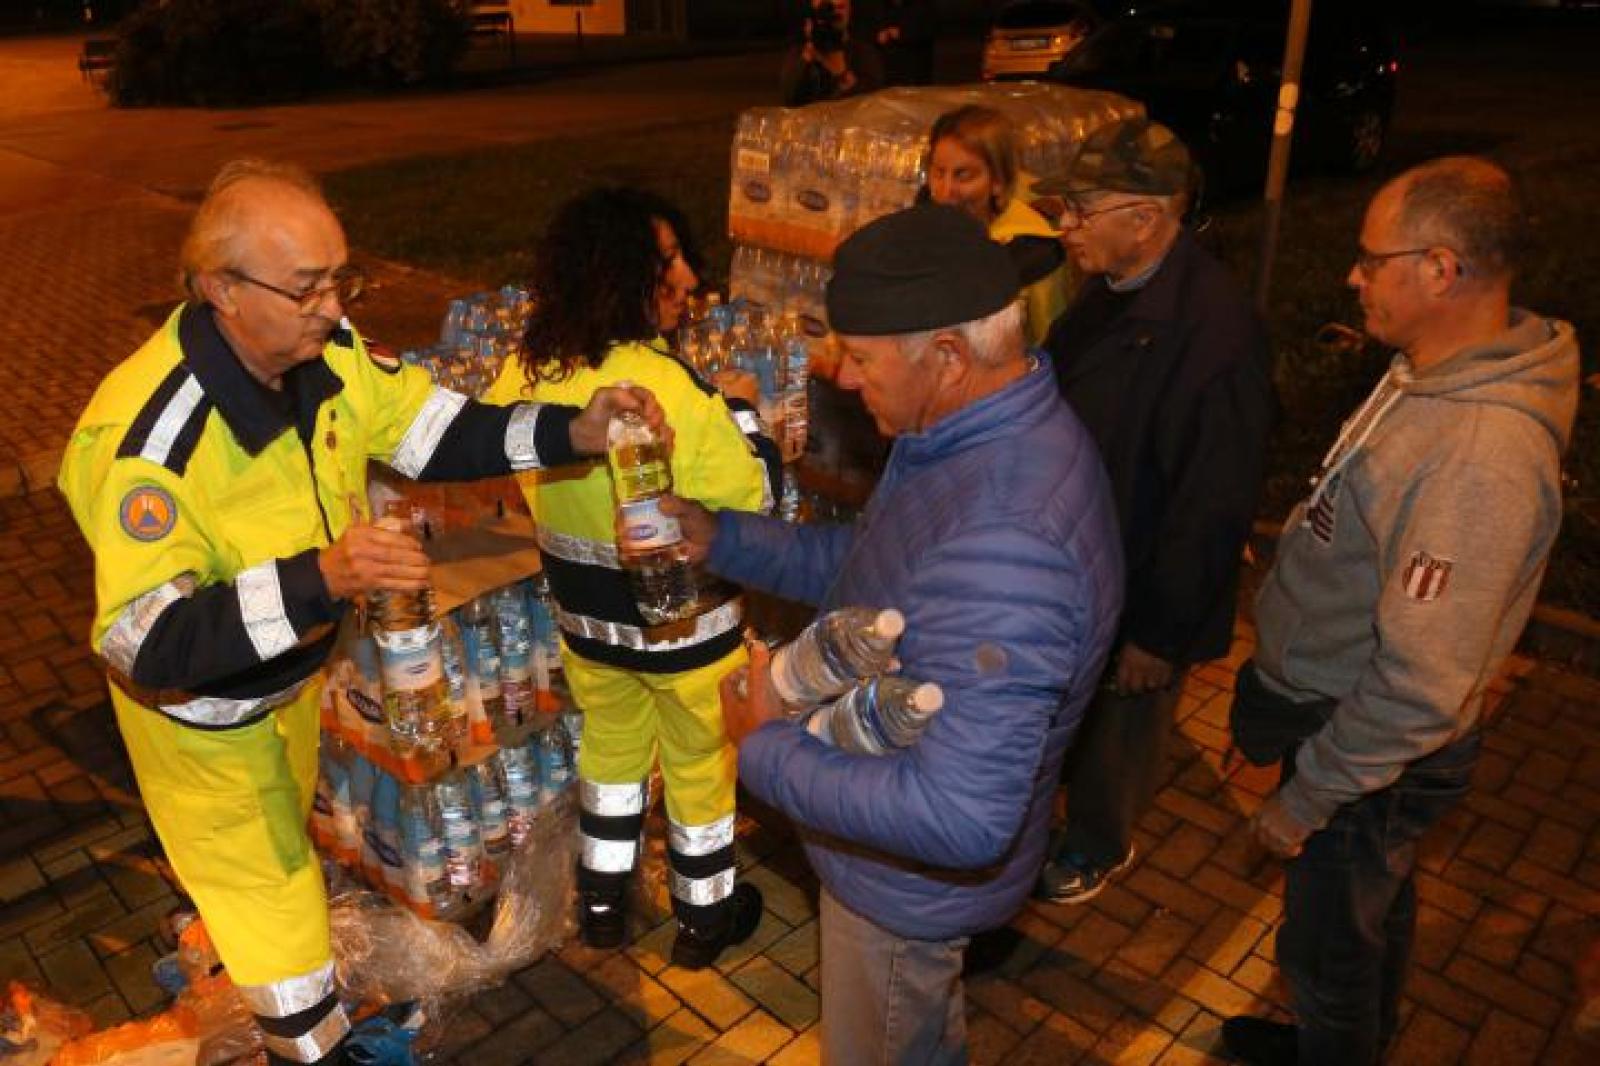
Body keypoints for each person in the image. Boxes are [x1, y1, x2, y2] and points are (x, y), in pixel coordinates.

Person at [55, 159, 662, 1066]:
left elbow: (436, 431)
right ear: (221, 289)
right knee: (274, 900)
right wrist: (323, 577)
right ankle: (309, 1043)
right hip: (203, 719)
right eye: (306, 288)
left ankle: (270, 991)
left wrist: (573, 430)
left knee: (282, 867)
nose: (334, 307)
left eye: (342, 278)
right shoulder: (152, 446)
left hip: (293, 681)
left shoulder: (327, 355)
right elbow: (149, 642)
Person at [666, 202, 1123, 1063]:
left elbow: (959, 816)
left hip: (901, 890)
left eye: (862, 356)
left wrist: (761, 745)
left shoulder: (1006, 536)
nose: (837, 374)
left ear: (947, 356)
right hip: (885, 848)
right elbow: (878, 576)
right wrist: (721, 537)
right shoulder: (967, 442)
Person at [1223, 156, 1580, 1065]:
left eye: (1371, 258)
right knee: (1369, 914)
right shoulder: (1430, 370)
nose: (1353, 274)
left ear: (1439, 270)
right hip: (1352, 725)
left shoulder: (1478, 455)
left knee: (1328, 951)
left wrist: (1305, 801)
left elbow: (1421, 684)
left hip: (1364, 745)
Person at [483, 186, 777, 970]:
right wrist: (746, 416)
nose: (682, 279)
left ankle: (604, 906)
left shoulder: (526, 367)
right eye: (666, 264)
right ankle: (706, 917)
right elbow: (754, 495)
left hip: (589, 627)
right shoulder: (664, 386)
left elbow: (499, 449)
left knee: (609, 758)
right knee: (698, 771)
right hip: (687, 632)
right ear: (629, 278)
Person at [1030, 119, 1276, 905]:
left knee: (1120, 735)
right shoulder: (1107, 293)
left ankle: (1099, 845)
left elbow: (1213, 504)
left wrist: (1159, 635)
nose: (1063, 227)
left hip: (1143, 592)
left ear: (1145, 216)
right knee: (1078, 719)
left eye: (1080, 209)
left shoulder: (1216, 336)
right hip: (1085, 568)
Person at [925, 104, 1072, 347]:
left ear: (997, 181)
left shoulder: (1035, 251)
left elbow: (1052, 345)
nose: (945, 192)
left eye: (964, 175)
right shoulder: (922, 227)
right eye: (939, 173)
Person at [779, 0, 885, 106]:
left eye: (840, 7)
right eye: (823, 11)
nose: (832, 15)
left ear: (849, 10)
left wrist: (842, 73)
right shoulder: (801, 52)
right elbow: (790, 99)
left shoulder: (863, 52)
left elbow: (873, 102)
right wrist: (807, 57)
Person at [870, 0, 937, 86]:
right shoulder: (883, 7)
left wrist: (903, 33)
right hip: (889, 69)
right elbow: (872, 28)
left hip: (915, 68)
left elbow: (929, 31)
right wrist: (879, 36)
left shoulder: (922, 6)